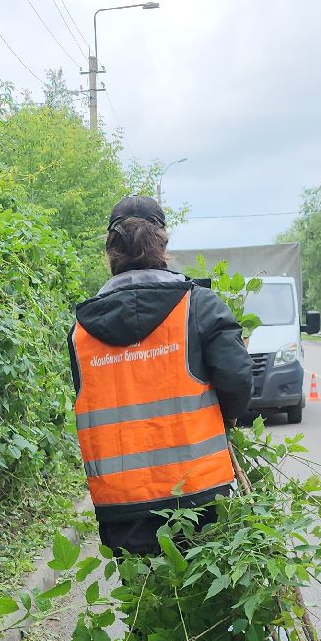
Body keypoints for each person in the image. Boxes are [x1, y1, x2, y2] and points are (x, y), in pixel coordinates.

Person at [69, 195, 252, 554]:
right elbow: (238, 384)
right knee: (207, 606)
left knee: (144, 601)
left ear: (111, 251)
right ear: (163, 245)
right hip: (199, 498)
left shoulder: (82, 331)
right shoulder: (198, 307)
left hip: (121, 510)